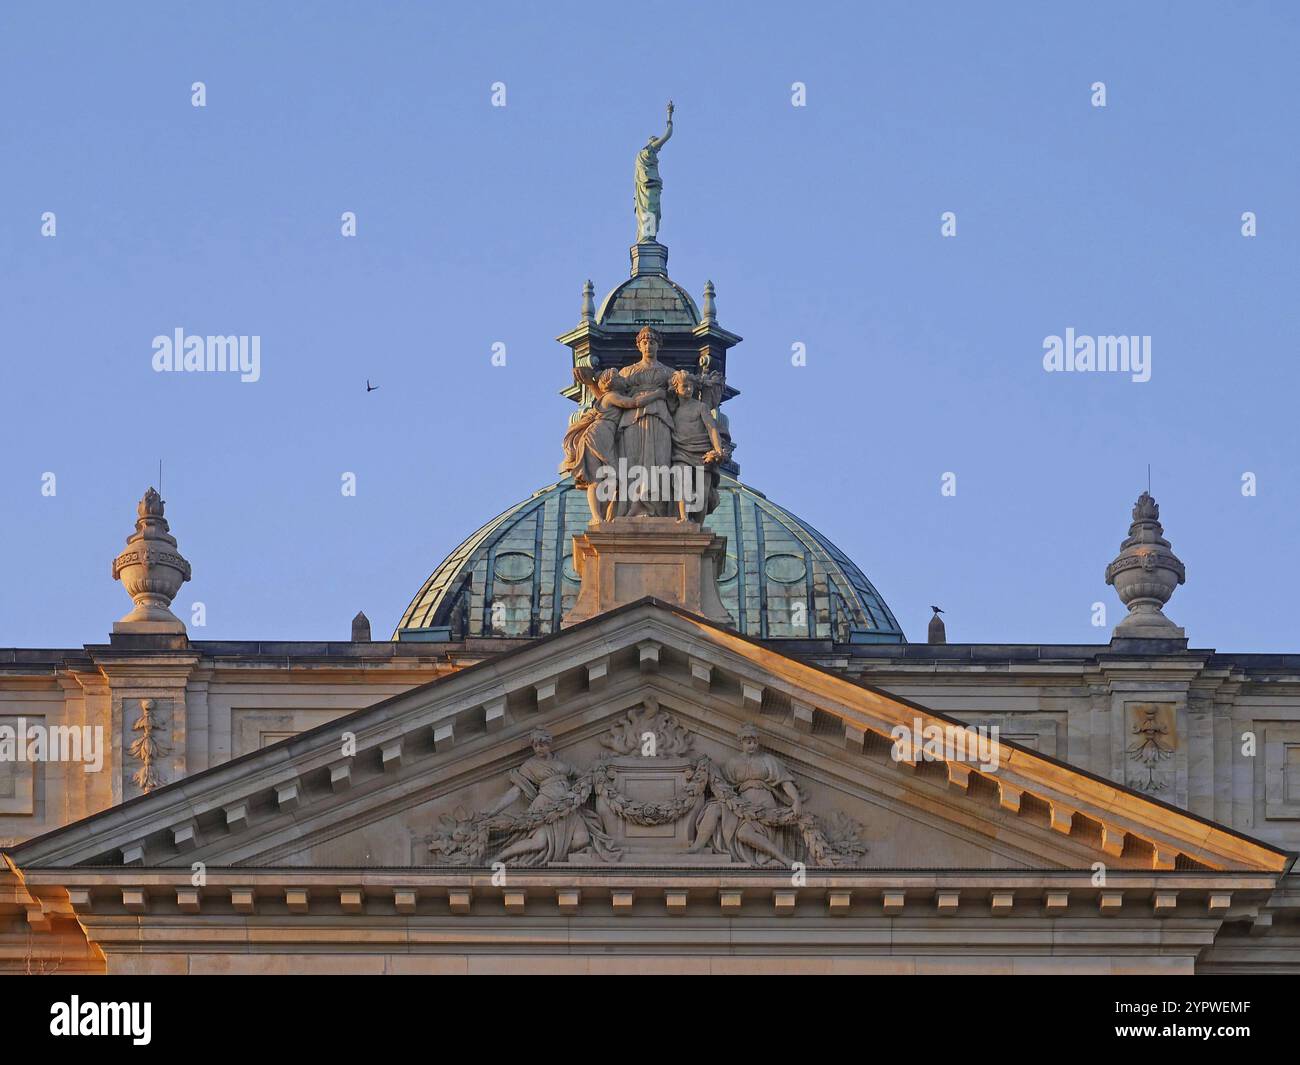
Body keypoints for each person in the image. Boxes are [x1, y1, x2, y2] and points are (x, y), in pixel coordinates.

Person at [560, 368, 665, 523]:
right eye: (618, 376)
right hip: (600, 436)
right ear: (612, 382)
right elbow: (634, 403)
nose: (623, 378)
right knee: (610, 477)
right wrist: (657, 394)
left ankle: (598, 517)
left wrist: (591, 385)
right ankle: (599, 516)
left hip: (597, 435)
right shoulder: (612, 396)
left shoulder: (605, 398)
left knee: (599, 479)